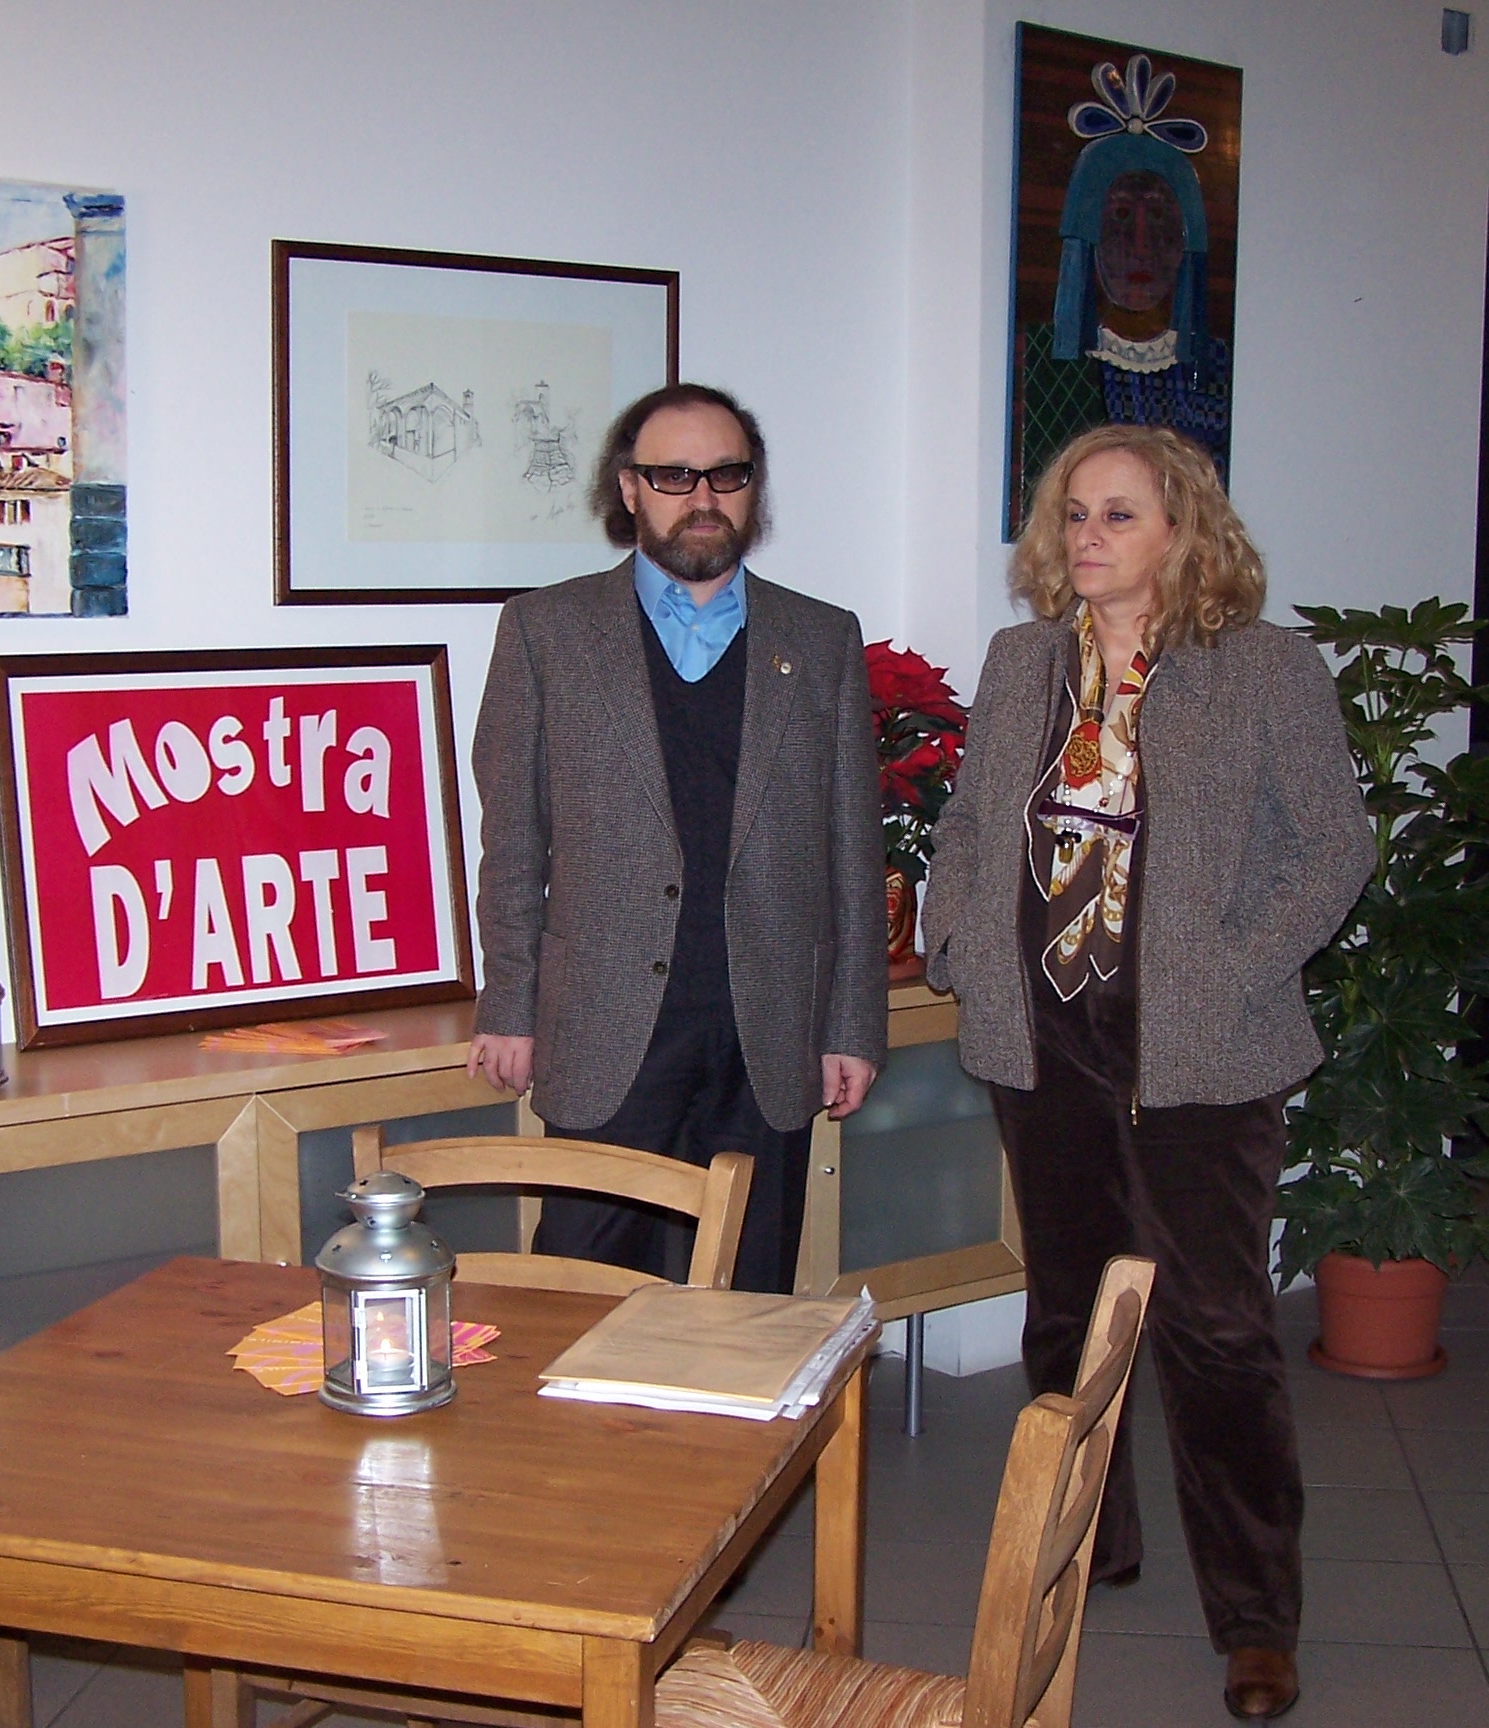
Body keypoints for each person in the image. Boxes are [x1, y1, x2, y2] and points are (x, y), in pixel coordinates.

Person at [920, 424, 1368, 1721]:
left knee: (1215, 1330)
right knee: (1066, 1315)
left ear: (1184, 530)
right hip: (1043, 1037)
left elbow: (1333, 848)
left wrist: (1230, 970)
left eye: (1118, 514)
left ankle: (1256, 1617)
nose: (1087, 537)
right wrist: (956, 935)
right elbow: (970, 820)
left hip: (1200, 1050)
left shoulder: (1265, 668)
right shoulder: (1022, 662)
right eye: (1073, 514)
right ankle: (1090, 1544)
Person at [467, 383, 886, 1294]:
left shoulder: (821, 639)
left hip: (767, 1036)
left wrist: (852, 1025)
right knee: (586, 1298)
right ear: (629, 488)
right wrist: (508, 1006)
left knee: (747, 1299)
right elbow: (514, 843)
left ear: (752, 486)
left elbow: (854, 851)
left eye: (727, 475)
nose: (703, 497)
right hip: (605, 1027)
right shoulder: (545, 632)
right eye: (673, 475)